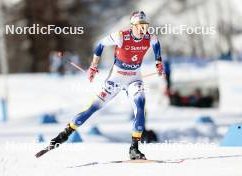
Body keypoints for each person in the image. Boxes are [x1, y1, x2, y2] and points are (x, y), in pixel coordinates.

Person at [36, 11, 163, 160]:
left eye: (145, 26)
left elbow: (156, 45)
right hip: (116, 78)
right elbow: (101, 44)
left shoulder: (150, 37)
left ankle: (134, 149)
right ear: (132, 26)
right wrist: (94, 66)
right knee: (93, 108)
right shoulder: (121, 36)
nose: (143, 30)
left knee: (140, 105)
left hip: (134, 78)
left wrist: (158, 62)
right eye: (139, 26)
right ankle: (64, 134)